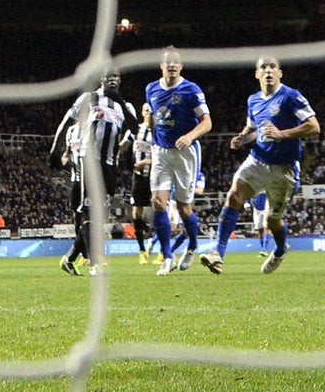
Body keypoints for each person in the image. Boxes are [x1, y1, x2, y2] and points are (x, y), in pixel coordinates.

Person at [200, 56, 318, 275]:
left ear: (280, 73)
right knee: (234, 196)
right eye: (263, 67)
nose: (268, 71)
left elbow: (313, 127)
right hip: (257, 160)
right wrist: (241, 139)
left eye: (273, 67)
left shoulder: (291, 96)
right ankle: (218, 253)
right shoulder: (253, 100)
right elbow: (253, 129)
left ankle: (281, 249)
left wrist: (283, 134)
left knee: (272, 220)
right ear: (257, 74)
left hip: (284, 169)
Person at [49, 72, 130, 275]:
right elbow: (67, 121)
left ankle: (69, 259)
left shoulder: (125, 106)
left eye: (115, 76)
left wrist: (119, 100)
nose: (112, 79)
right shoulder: (89, 98)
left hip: (111, 164)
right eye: (107, 76)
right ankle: (94, 262)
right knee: (88, 210)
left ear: (119, 81)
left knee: (99, 214)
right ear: (101, 80)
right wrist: (54, 149)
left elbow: (135, 129)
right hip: (89, 159)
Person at [142, 47, 212, 275]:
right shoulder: (151, 89)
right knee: (157, 202)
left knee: (183, 208)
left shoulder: (191, 90)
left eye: (175, 62)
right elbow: (154, 120)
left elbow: (207, 122)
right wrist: (150, 128)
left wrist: (190, 136)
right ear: (161, 65)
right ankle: (167, 257)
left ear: (180, 66)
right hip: (161, 152)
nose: (171, 65)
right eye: (167, 62)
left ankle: (192, 243)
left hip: (186, 153)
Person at [127, 123, 155, 264]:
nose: (149, 114)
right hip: (138, 177)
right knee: (137, 212)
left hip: (156, 176)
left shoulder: (160, 130)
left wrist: (147, 161)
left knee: (162, 210)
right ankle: (142, 250)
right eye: (146, 110)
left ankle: (164, 252)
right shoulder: (136, 130)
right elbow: (124, 146)